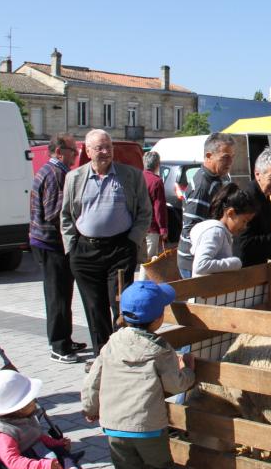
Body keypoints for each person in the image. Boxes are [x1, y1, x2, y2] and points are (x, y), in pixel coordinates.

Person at [81, 281, 196, 469]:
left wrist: (90, 408)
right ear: (157, 319)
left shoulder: (111, 343)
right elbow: (176, 385)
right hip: (148, 427)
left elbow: (93, 380)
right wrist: (188, 369)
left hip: (114, 427)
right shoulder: (160, 350)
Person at [61, 129, 151, 358]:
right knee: (94, 307)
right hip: (85, 253)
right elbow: (65, 216)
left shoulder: (131, 176)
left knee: (120, 304)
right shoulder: (74, 178)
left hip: (120, 249)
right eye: (99, 148)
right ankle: (102, 356)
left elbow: (144, 212)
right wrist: (72, 248)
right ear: (88, 151)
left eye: (108, 147)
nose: (105, 152)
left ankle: (122, 354)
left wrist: (132, 242)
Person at [29, 133, 85, 364]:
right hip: (50, 243)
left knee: (63, 293)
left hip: (47, 242)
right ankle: (58, 346)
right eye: (73, 150)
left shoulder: (51, 171)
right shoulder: (56, 174)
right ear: (60, 151)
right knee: (57, 296)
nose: (76, 154)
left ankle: (65, 338)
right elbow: (54, 213)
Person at [176, 133, 235, 279]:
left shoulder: (216, 179)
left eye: (232, 157)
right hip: (193, 262)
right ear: (209, 156)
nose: (230, 162)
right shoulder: (203, 185)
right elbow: (191, 228)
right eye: (225, 157)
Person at [190, 183, 256, 276]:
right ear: (231, 213)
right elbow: (200, 266)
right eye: (244, 221)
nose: (245, 227)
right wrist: (235, 263)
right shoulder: (215, 232)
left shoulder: (222, 232)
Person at [236, 150, 271, 266]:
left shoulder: (264, 196)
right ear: (257, 174)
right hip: (245, 269)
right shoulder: (248, 198)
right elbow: (245, 243)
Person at [141, 151, 168, 263]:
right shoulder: (156, 181)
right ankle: (144, 281)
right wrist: (163, 229)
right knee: (150, 262)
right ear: (157, 164)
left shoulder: (136, 178)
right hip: (151, 227)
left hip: (135, 226)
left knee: (137, 261)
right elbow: (159, 208)